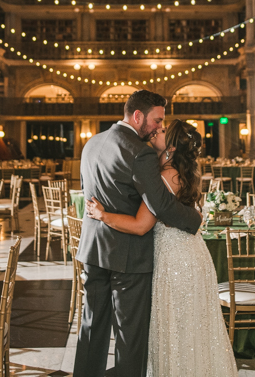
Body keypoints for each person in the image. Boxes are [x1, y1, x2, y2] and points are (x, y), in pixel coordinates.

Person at [86, 119, 238, 376]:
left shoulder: (166, 177)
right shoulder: (174, 173)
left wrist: (103, 216)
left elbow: (140, 225)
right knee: (189, 331)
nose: (158, 129)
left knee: (176, 330)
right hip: (189, 256)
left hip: (176, 263)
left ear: (171, 150)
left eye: (164, 130)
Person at [73, 91, 203, 377]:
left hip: (93, 250)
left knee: (92, 326)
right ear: (138, 116)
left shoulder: (91, 143)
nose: (158, 126)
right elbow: (162, 204)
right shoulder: (139, 151)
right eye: (157, 120)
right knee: (130, 336)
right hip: (128, 256)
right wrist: (194, 219)